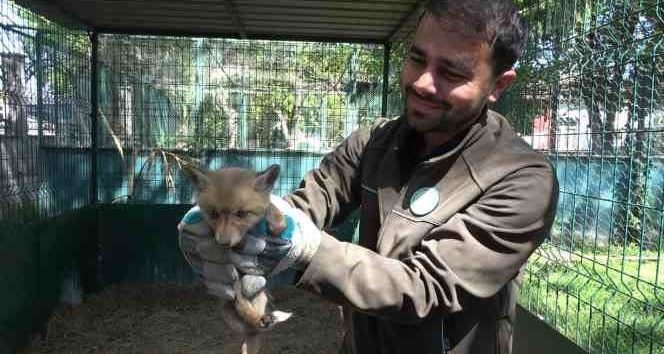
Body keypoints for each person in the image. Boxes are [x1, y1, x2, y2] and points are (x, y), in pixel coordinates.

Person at [178, 0, 560, 353]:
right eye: (416, 58)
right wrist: (246, 225)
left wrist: (306, 249)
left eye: (452, 72)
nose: (423, 82)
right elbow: (315, 199)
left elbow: (427, 288)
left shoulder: (522, 180)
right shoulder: (375, 142)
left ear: (498, 85)